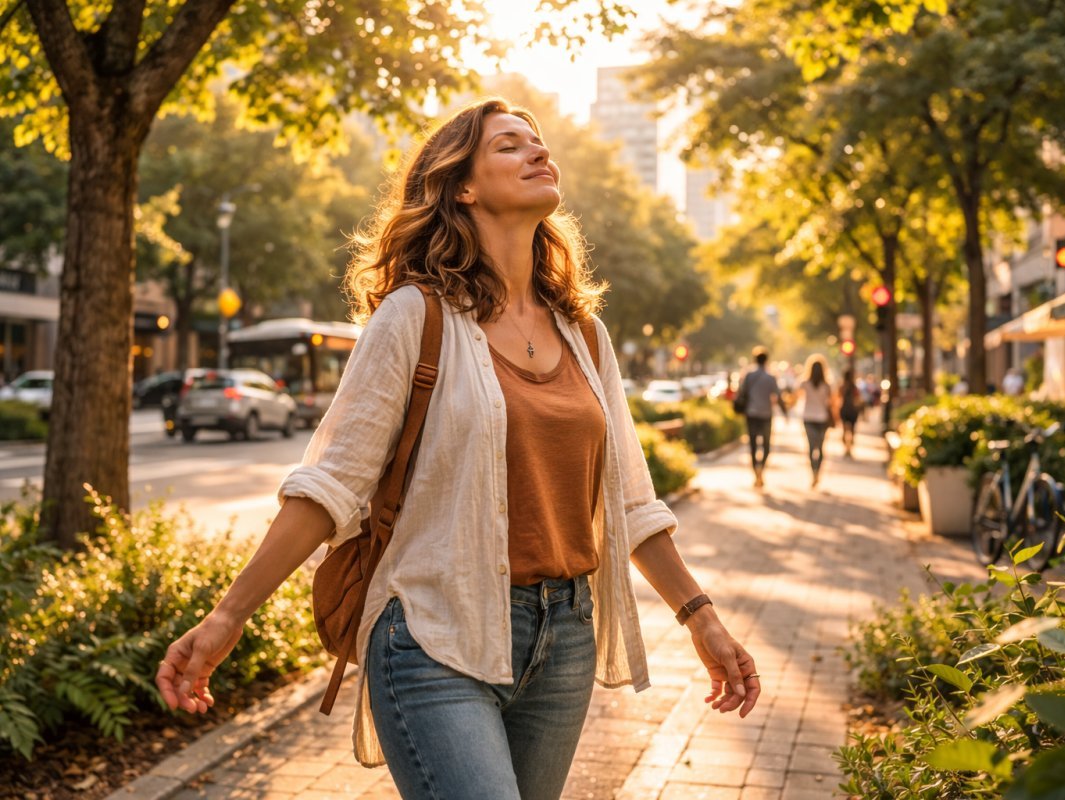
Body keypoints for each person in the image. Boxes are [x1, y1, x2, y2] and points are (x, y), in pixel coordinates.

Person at [154, 98, 760, 800]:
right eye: (510, 145)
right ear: (462, 186)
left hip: (563, 638)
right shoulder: (415, 316)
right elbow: (329, 486)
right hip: (431, 635)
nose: (539, 153)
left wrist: (701, 617)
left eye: (540, 142)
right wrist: (227, 616)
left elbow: (629, 501)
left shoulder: (583, 335)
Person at [740, 346, 787, 488]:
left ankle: (756, 472)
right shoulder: (771, 377)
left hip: (751, 414)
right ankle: (761, 469)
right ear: (766, 360)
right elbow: (778, 396)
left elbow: (742, 393)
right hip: (766, 414)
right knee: (766, 446)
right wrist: (785, 412)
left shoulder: (749, 376)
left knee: (753, 445)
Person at [797, 355, 835, 488]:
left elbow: (796, 397)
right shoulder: (827, 385)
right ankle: (817, 472)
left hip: (808, 418)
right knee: (820, 447)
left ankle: (813, 473)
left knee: (811, 447)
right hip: (822, 418)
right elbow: (831, 403)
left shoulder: (804, 383)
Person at [838, 368, 861, 459]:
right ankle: (849, 448)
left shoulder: (842, 386)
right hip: (853, 410)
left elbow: (838, 397)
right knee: (852, 430)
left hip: (844, 410)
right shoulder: (854, 387)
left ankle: (846, 447)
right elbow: (857, 399)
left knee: (844, 430)